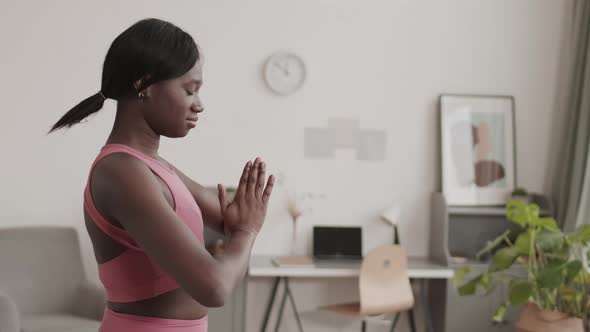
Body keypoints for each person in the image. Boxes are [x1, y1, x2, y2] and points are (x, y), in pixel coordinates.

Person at [49, 18, 274, 332]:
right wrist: (247, 232)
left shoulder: (153, 167)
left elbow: (228, 219)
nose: (200, 105)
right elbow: (215, 287)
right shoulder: (122, 172)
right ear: (144, 85)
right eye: (189, 90)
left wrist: (242, 225)